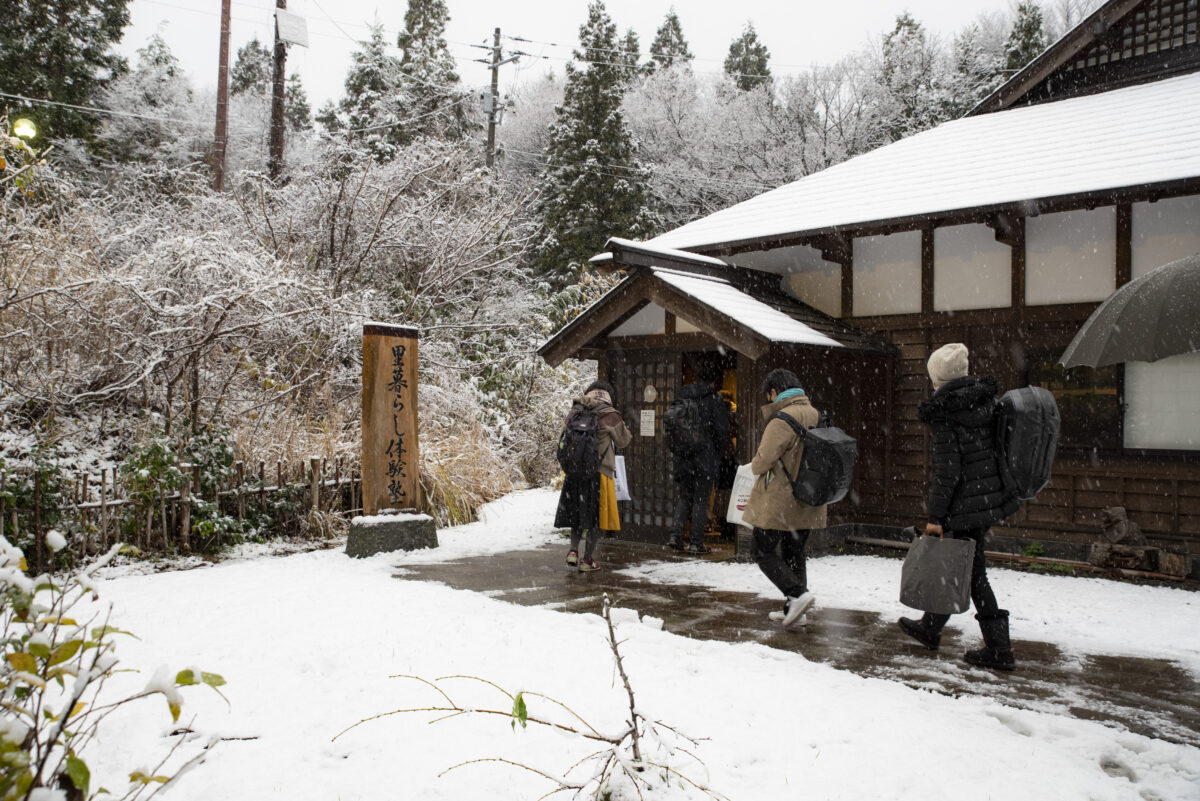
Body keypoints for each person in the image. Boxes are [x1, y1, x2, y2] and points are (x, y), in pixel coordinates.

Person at [898, 343, 1021, 670]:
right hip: (986, 499)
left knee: (973, 573)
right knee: (963, 567)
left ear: (937, 377)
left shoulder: (946, 412)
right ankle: (930, 627)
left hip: (963, 504)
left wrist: (936, 517)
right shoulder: (985, 402)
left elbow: (947, 472)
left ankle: (999, 649)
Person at [742, 368, 826, 629]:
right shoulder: (816, 415)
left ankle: (797, 594)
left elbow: (762, 461)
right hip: (809, 497)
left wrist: (753, 464)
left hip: (782, 500)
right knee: (794, 551)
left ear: (774, 392)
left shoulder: (782, 419)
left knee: (761, 550)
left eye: (768, 395)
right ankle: (795, 609)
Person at [553, 380, 632, 572]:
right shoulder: (610, 414)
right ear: (608, 395)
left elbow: (561, 437)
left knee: (577, 514)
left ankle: (573, 551)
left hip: (575, 473)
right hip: (599, 473)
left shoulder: (575, 410)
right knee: (596, 518)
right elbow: (624, 441)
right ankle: (587, 560)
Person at [666, 365, 729, 554]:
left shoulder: (684, 397)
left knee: (685, 497)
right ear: (713, 382)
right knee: (701, 500)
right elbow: (721, 431)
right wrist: (716, 451)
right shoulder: (714, 400)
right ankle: (696, 543)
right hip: (704, 457)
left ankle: (675, 536)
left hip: (683, 456)